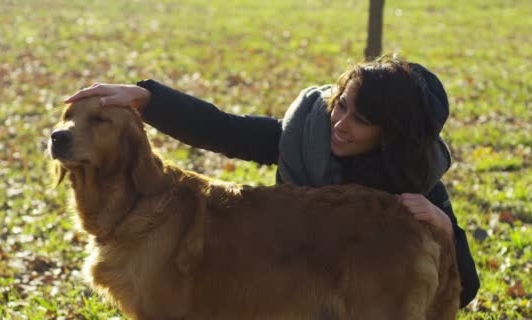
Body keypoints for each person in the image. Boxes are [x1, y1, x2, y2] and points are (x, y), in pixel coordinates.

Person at [65, 55, 480, 308]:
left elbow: (462, 290)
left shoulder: (416, 180)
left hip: (358, 283)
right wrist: (146, 98)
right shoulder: (304, 136)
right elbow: (224, 130)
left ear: (392, 135)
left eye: (362, 120)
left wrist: (444, 229)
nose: (341, 124)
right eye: (341, 106)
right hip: (293, 280)